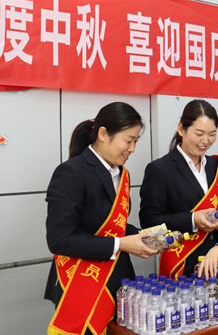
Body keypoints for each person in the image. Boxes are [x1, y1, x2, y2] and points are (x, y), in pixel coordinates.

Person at [45, 102, 158, 335]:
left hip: (117, 282)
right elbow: (59, 239)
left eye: (136, 141)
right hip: (80, 284)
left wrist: (142, 236)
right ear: (103, 134)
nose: (132, 149)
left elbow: (112, 224)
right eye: (128, 140)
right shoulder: (71, 172)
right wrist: (121, 244)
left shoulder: (122, 174)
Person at [139, 99, 218, 278]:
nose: (206, 141)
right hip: (183, 265)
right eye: (199, 133)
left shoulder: (215, 166)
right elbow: (149, 221)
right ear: (181, 129)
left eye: (212, 134)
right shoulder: (160, 169)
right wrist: (192, 219)